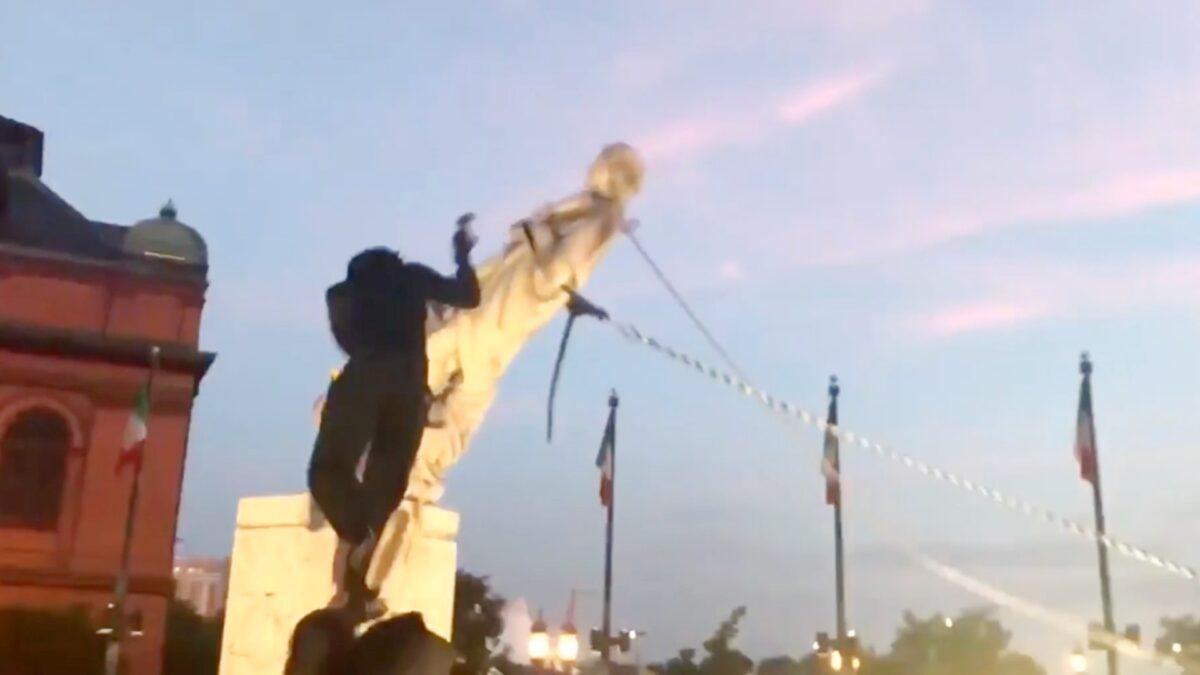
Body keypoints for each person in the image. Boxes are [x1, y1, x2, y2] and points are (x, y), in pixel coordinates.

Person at [310, 214, 480, 612]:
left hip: (366, 378)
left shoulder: (342, 293)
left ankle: (357, 539)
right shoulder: (414, 277)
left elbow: (345, 337)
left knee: (328, 470)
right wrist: (462, 255)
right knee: (386, 482)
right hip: (409, 391)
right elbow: (469, 297)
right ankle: (361, 575)